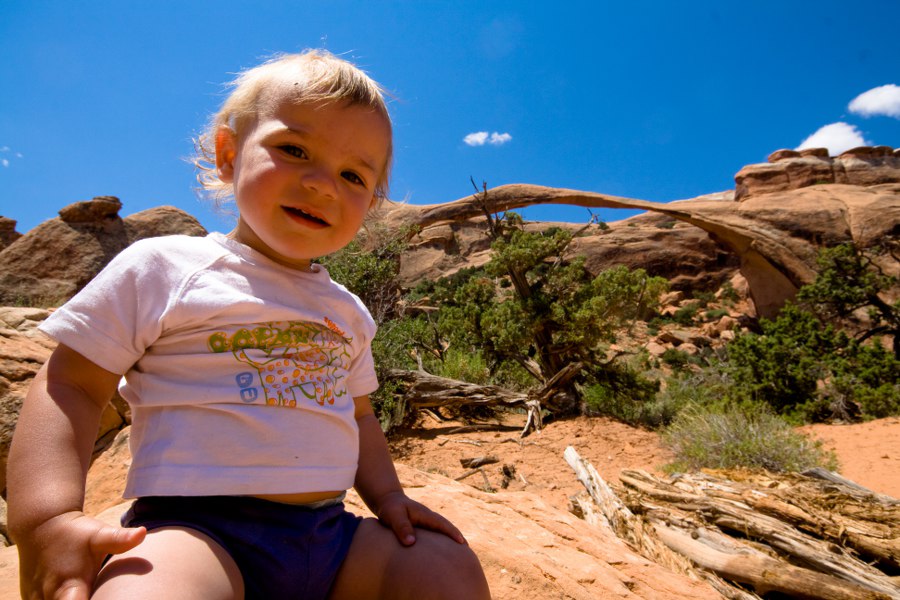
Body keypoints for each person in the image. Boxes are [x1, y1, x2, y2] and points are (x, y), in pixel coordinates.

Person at [7, 50, 492, 600]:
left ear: (372, 203)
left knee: (445, 568)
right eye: (294, 149)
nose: (322, 184)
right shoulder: (167, 267)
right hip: (192, 535)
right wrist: (44, 522)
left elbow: (359, 417)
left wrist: (390, 501)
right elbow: (71, 383)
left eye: (353, 175)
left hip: (329, 537)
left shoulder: (347, 311)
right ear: (228, 154)